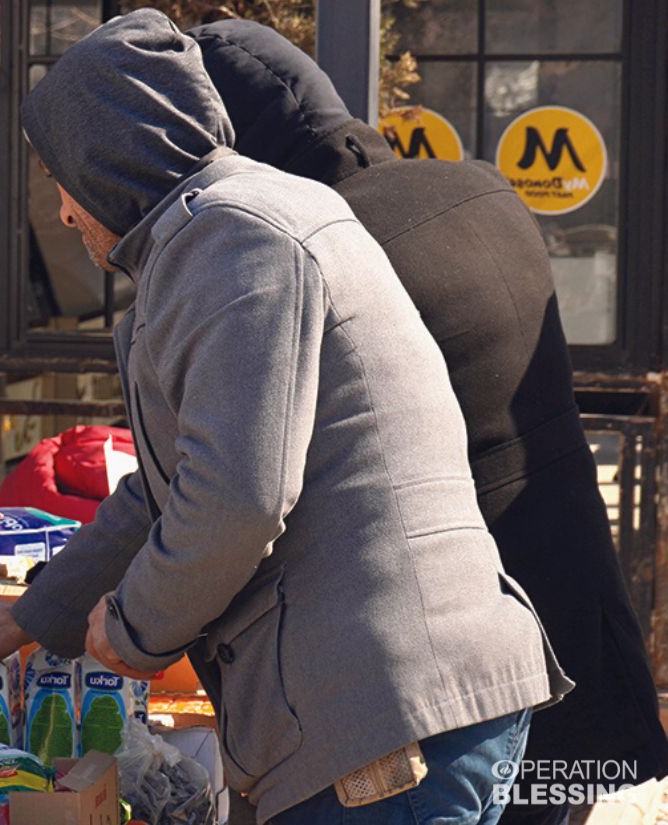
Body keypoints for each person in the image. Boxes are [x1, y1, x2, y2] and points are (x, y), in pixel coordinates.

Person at [0, 11, 571, 825]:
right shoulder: (239, 220)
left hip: (376, 721)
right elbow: (167, 489)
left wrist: (134, 629)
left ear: (104, 160)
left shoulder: (232, 236)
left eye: (61, 178)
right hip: (399, 708)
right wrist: (30, 616)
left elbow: (236, 494)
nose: (62, 211)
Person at [187, 20, 668, 824]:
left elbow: (259, 477)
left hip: (454, 672)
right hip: (576, 620)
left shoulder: (325, 245)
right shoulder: (480, 188)